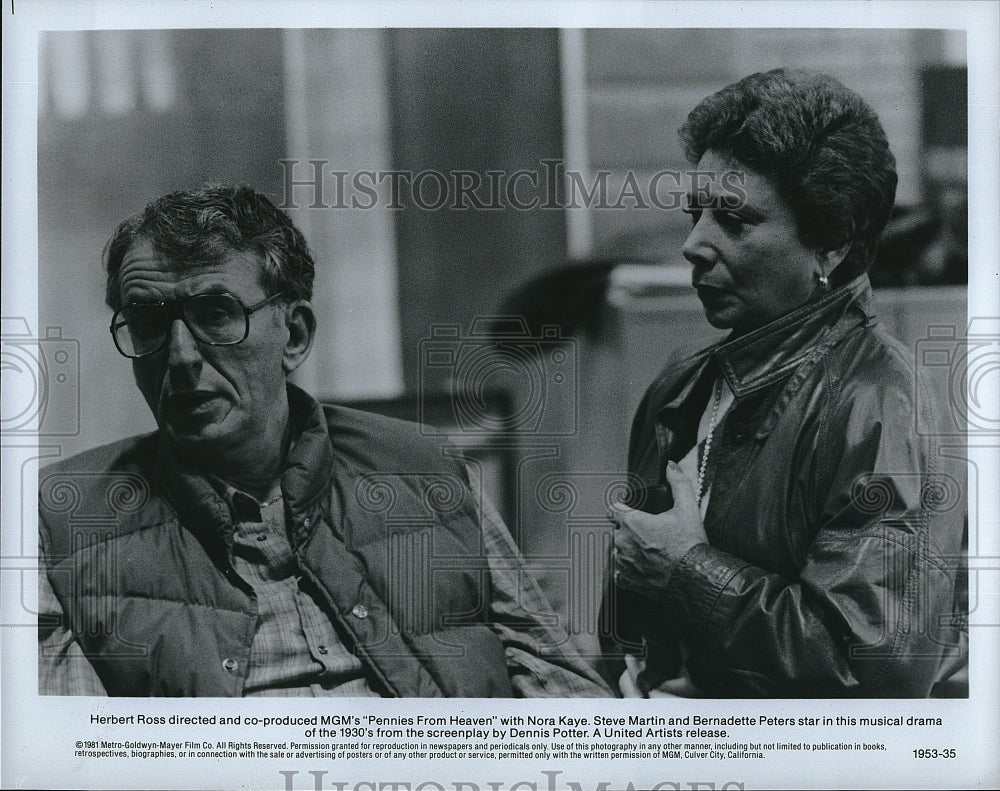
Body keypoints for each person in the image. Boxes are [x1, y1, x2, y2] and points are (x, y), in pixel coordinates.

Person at [38, 185, 611, 698]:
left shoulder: (420, 465)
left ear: (295, 335)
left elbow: (565, 697)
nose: (182, 356)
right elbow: (78, 759)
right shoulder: (64, 516)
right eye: (149, 323)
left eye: (216, 314)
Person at [605, 69, 967, 698]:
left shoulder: (883, 404)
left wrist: (690, 571)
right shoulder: (681, 387)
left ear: (830, 243)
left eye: (734, 221)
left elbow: (877, 670)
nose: (693, 244)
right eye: (695, 214)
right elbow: (631, 624)